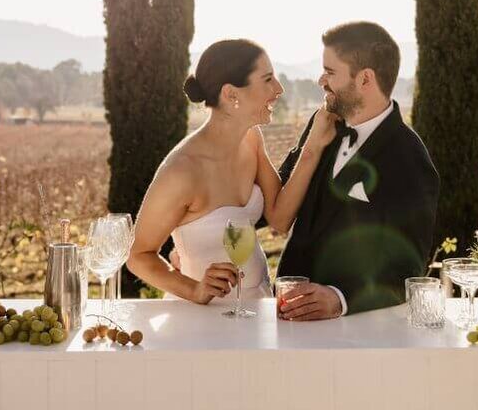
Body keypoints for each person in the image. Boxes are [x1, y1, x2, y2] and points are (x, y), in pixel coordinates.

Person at [127, 39, 337, 304]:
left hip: (257, 306)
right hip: (203, 321)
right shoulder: (182, 171)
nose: (279, 89)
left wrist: (313, 146)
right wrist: (195, 290)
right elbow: (139, 256)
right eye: (268, 79)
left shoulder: (251, 139)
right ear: (231, 94)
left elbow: (280, 218)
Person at [275, 21, 440, 319]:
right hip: (289, 318)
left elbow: (409, 269)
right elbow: (277, 198)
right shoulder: (322, 124)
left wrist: (341, 299)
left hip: (358, 333)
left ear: (365, 79)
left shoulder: (409, 158)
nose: (320, 80)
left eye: (330, 72)